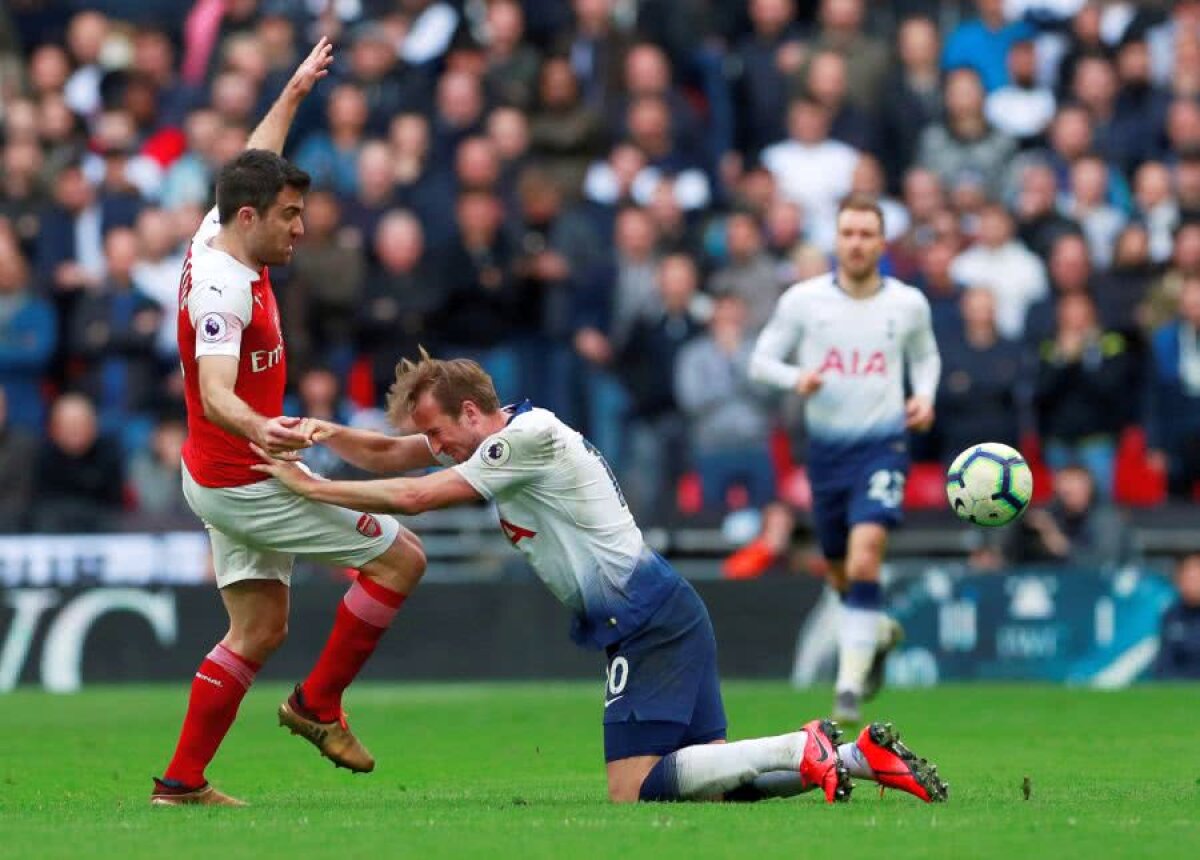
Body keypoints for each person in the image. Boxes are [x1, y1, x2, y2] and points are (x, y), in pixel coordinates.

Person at [251, 352, 948, 806]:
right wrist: (320, 432)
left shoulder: (523, 441)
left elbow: (412, 497)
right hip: (664, 611)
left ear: (470, 412)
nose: (434, 450)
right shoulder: (501, 435)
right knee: (709, 777)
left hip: (643, 620)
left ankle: (805, 745)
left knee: (632, 788)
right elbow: (389, 453)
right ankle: (856, 758)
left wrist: (311, 490)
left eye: (439, 435)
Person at [152, 40, 429, 808]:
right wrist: (263, 429)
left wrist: (297, 90)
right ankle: (317, 706)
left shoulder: (220, 226)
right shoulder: (223, 291)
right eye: (291, 215)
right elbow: (213, 391)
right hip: (248, 475)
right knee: (402, 558)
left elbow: (254, 156)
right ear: (252, 217)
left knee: (258, 631)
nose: (300, 228)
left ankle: (179, 787)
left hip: (216, 471)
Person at [747, 194, 942, 723]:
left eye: (866, 234)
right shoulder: (804, 302)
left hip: (883, 446)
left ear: (882, 243)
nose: (856, 243)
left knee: (865, 555)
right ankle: (875, 633)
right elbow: (761, 361)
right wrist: (797, 379)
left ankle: (848, 688)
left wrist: (923, 397)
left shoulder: (906, 304)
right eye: (848, 233)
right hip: (826, 454)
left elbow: (925, 357)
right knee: (840, 573)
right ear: (837, 241)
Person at [1154, 553, 1200, 680]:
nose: (1192, 583)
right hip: (1179, 689)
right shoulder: (1172, 615)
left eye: (1196, 578)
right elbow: (1164, 662)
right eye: (1188, 578)